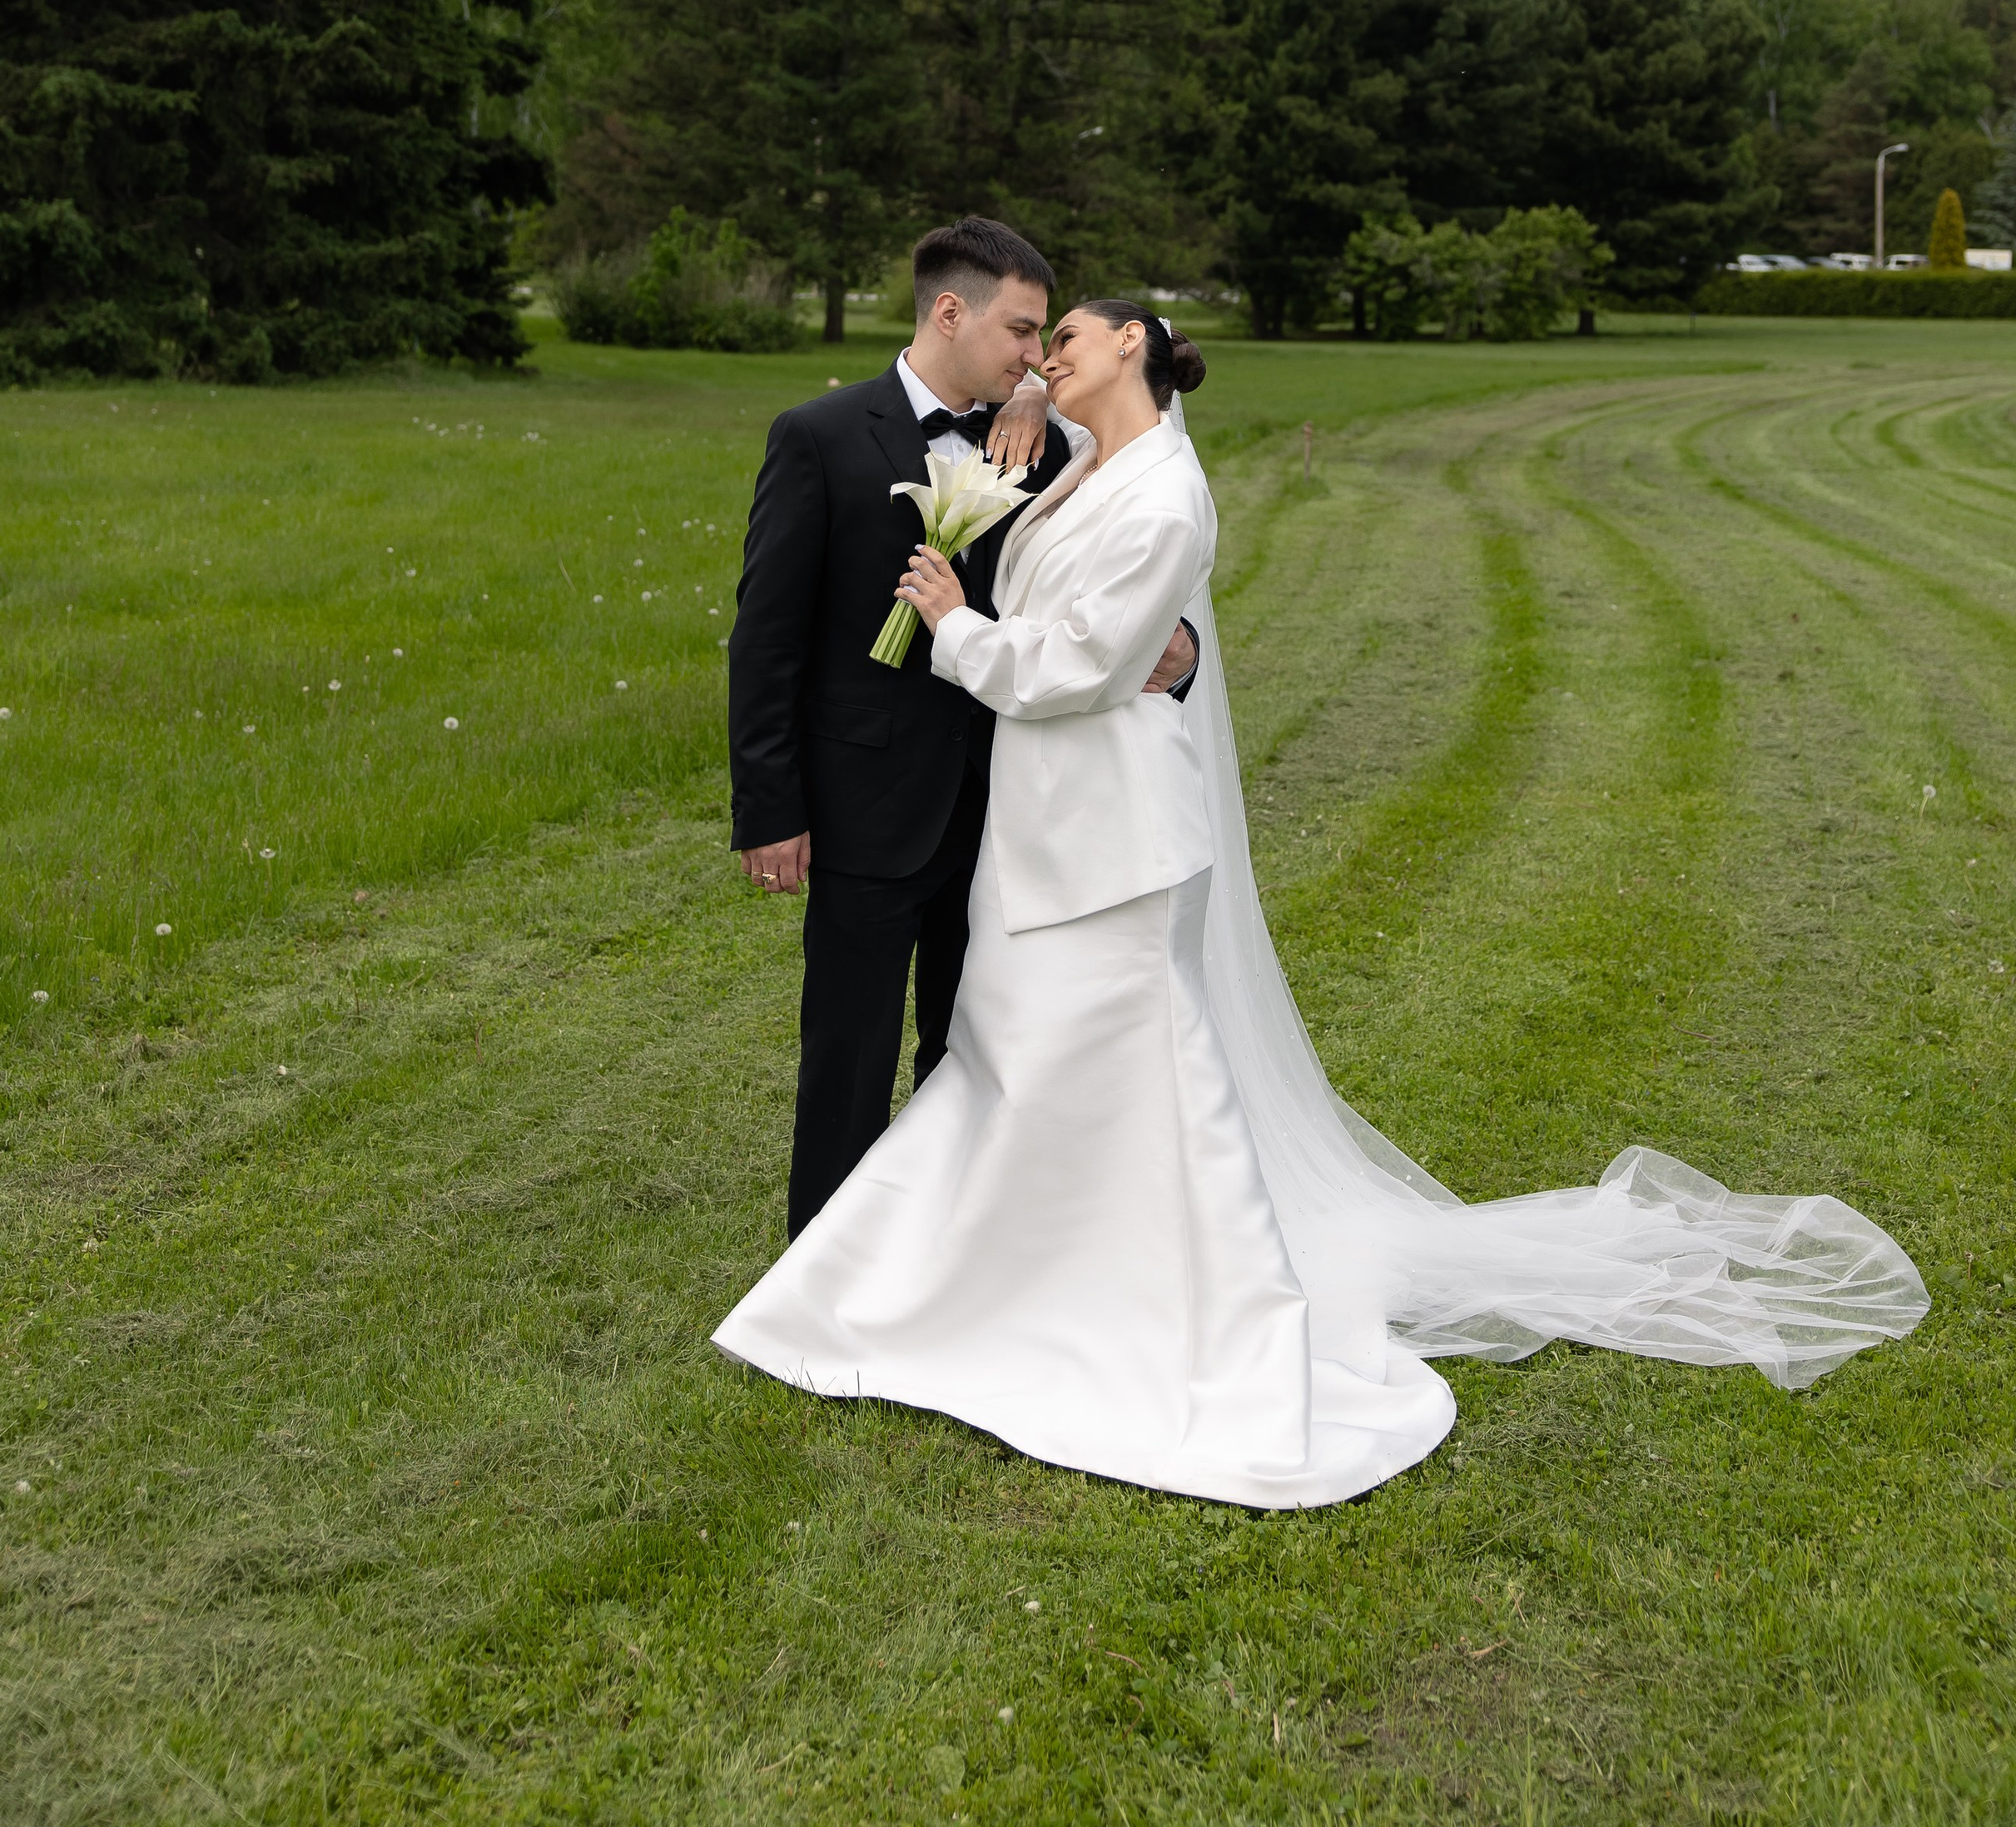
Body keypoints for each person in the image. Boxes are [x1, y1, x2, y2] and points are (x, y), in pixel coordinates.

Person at [717, 303, 1929, 1510]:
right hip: (1041, 832)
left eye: (1068, 333)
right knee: (1005, 1066)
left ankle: (1161, 1320)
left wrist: (953, 628)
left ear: (1136, 344)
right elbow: (1104, 604)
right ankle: (971, 1280)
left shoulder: (1168, 493)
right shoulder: (1092, 464)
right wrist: (1056, 454)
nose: (1045, 355)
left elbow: (1083, 666)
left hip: (1113, 845)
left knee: (1125, 1086)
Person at [727, 218, 1197, 1236]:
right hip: (863, 809)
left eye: (1045, 340)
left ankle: (944, 1252)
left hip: (1005, 812)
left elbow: (1116, 563)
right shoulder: (817, 437)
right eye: (1022, 333)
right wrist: (772, 809)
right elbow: (766, 644)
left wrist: (1185, 646)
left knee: (974, 1046)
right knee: (847, 1051)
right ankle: (824, 1262)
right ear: (950, 311)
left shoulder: (1044, 446)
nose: (1036, 357)